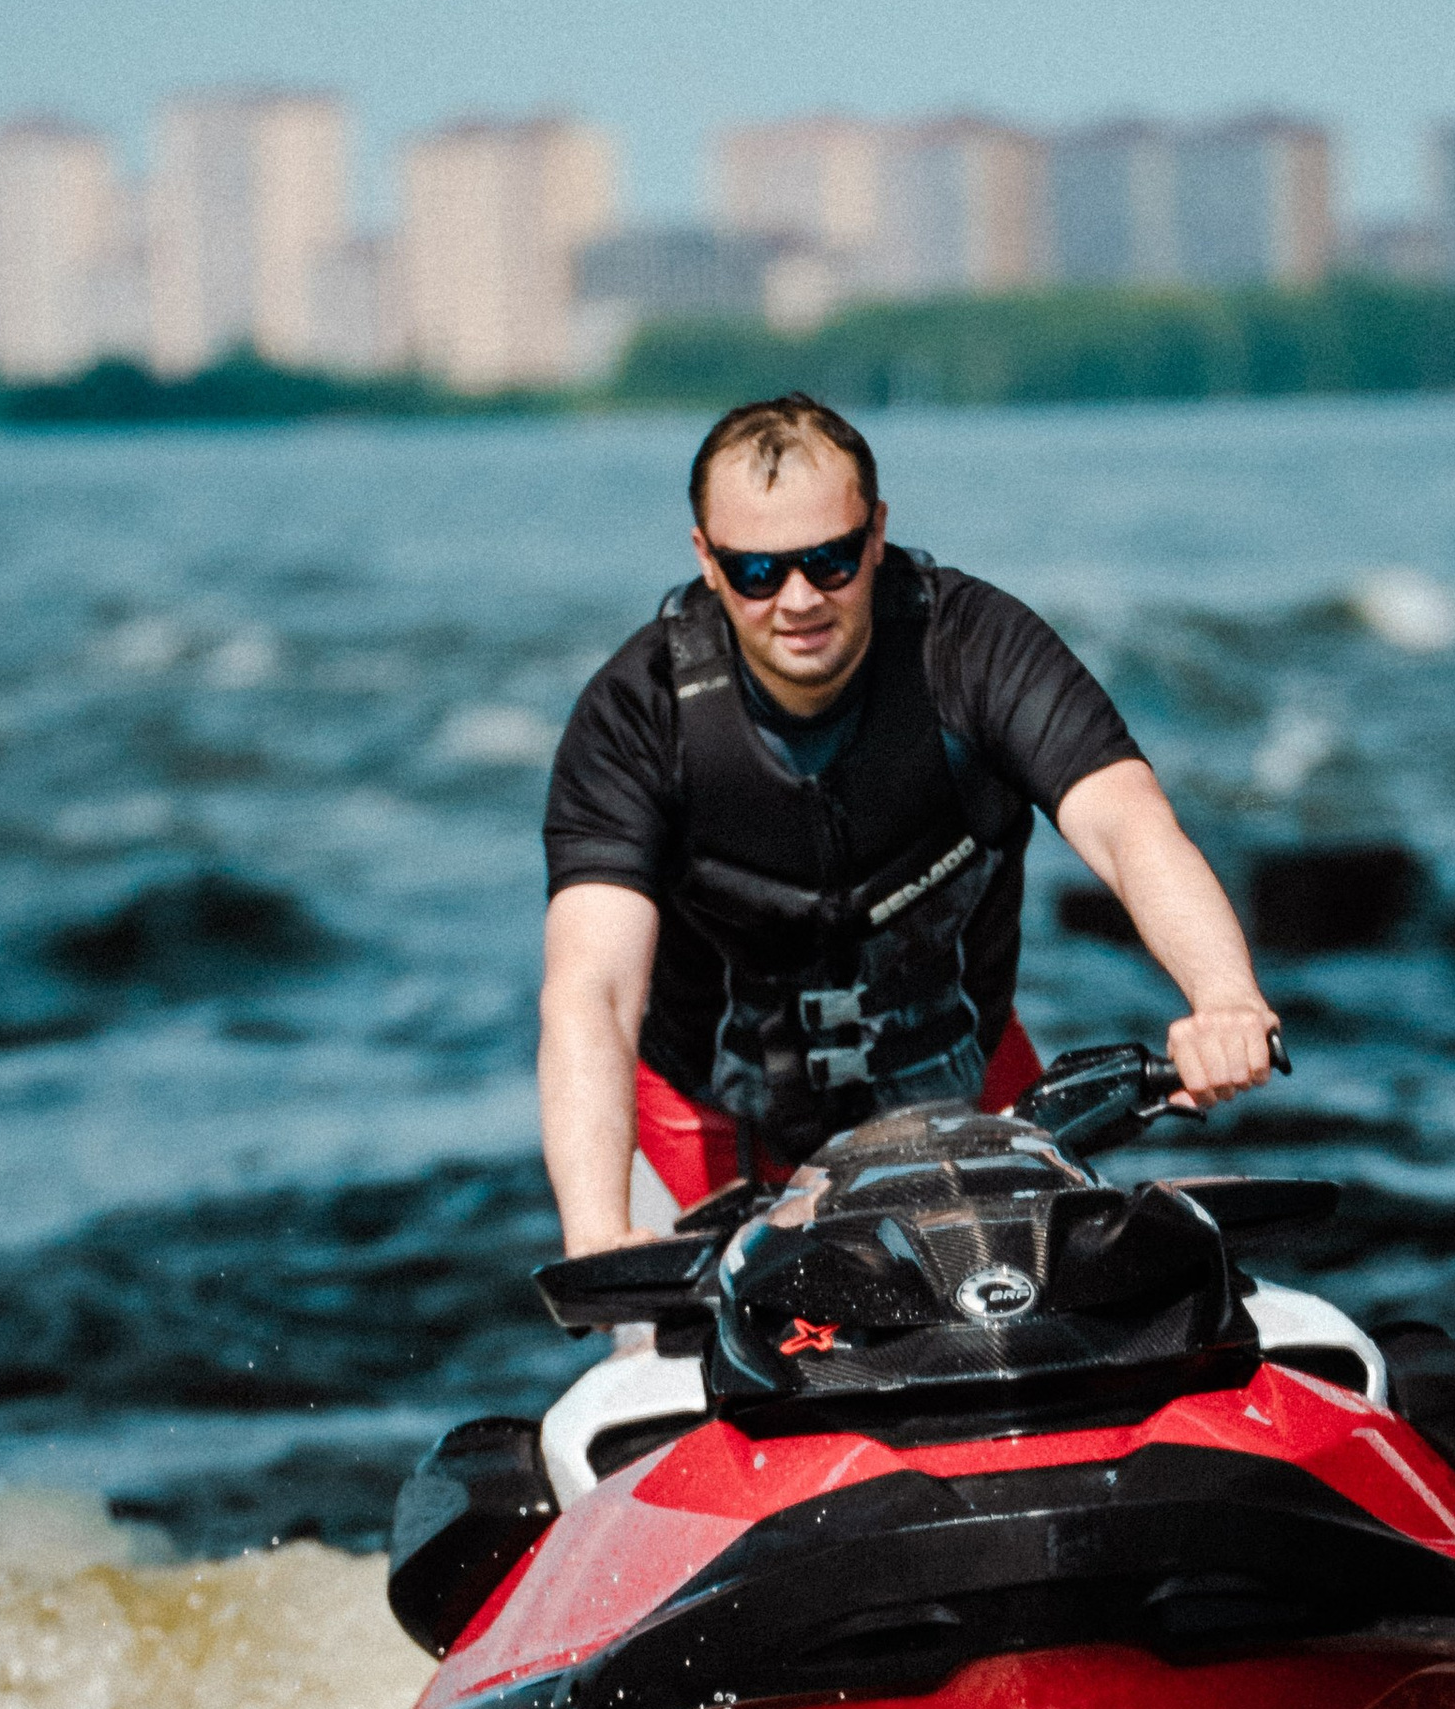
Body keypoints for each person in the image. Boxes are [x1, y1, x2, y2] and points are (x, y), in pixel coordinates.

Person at [537, 392, 1281, 1256]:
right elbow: (593, 987)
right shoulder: (637, 714)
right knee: (672, 1359)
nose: (800, 599)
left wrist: (1225, 996)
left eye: (831, 560)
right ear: (706, 560)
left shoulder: (973, 647)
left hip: (970, 1098)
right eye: (758, 572)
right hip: (702, 1134)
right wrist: (598, 1237)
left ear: (876, 533)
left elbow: (1128, 823)